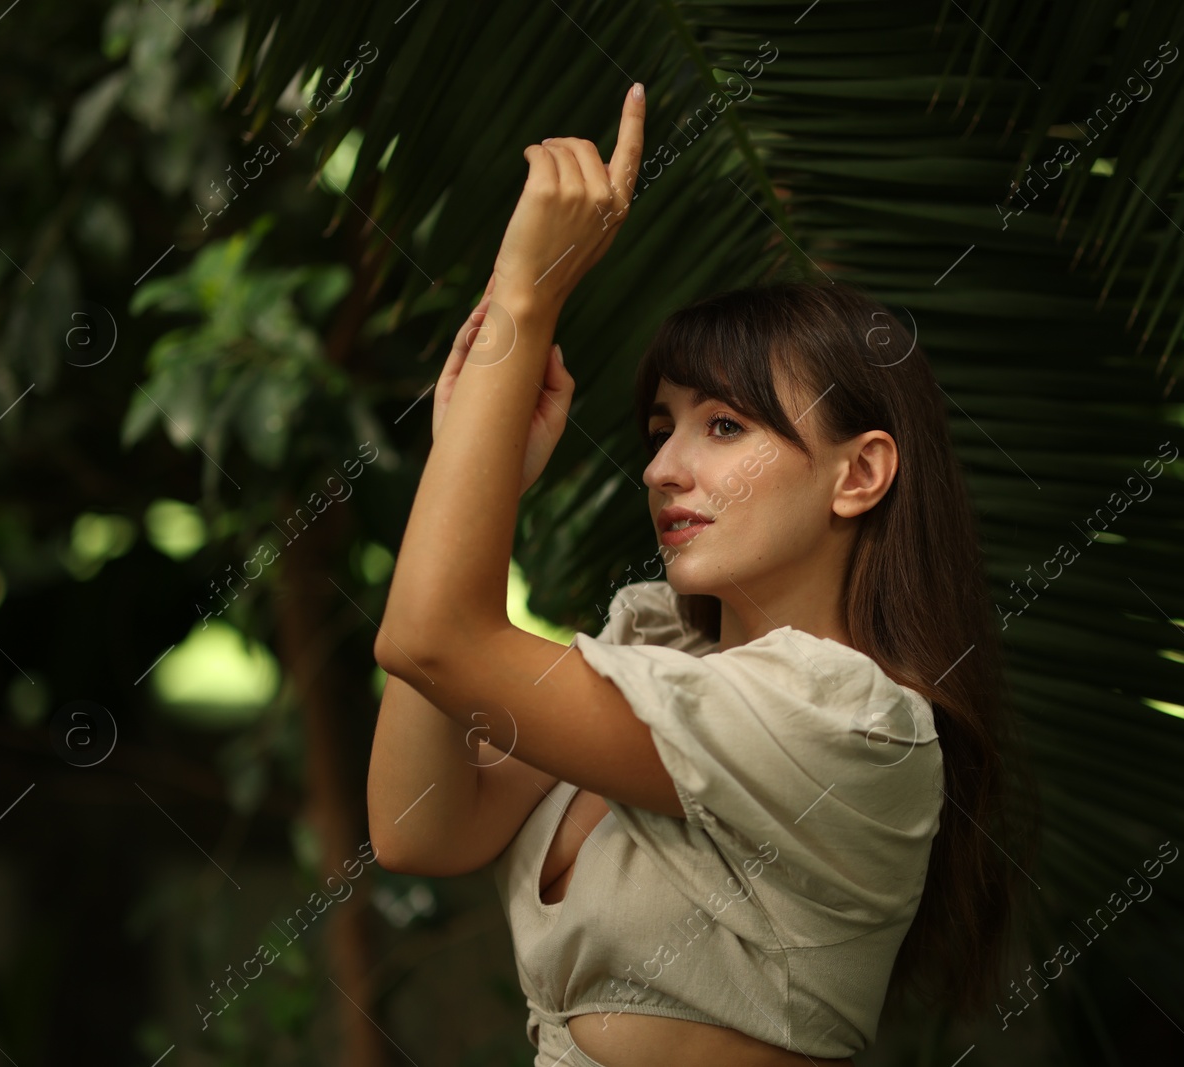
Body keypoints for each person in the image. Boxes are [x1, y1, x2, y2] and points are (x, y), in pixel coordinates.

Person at [368, 83, 1032, 1066]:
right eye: (661, 427)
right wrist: (477, 466)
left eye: (724, 425)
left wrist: (526, 295)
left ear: (860, 473)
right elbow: (420, 827)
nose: (663, 466)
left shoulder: (851, 723)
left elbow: (437, 639)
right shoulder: (657, 659)